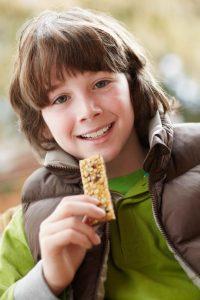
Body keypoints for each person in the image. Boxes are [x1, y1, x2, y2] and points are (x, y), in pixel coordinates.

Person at [0, 7, 200, 300]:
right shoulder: (32, 220)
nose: (87, 110)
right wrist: (47, 279)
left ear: (132, 86)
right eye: (61, 98)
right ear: (41, 123)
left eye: (101, 83)